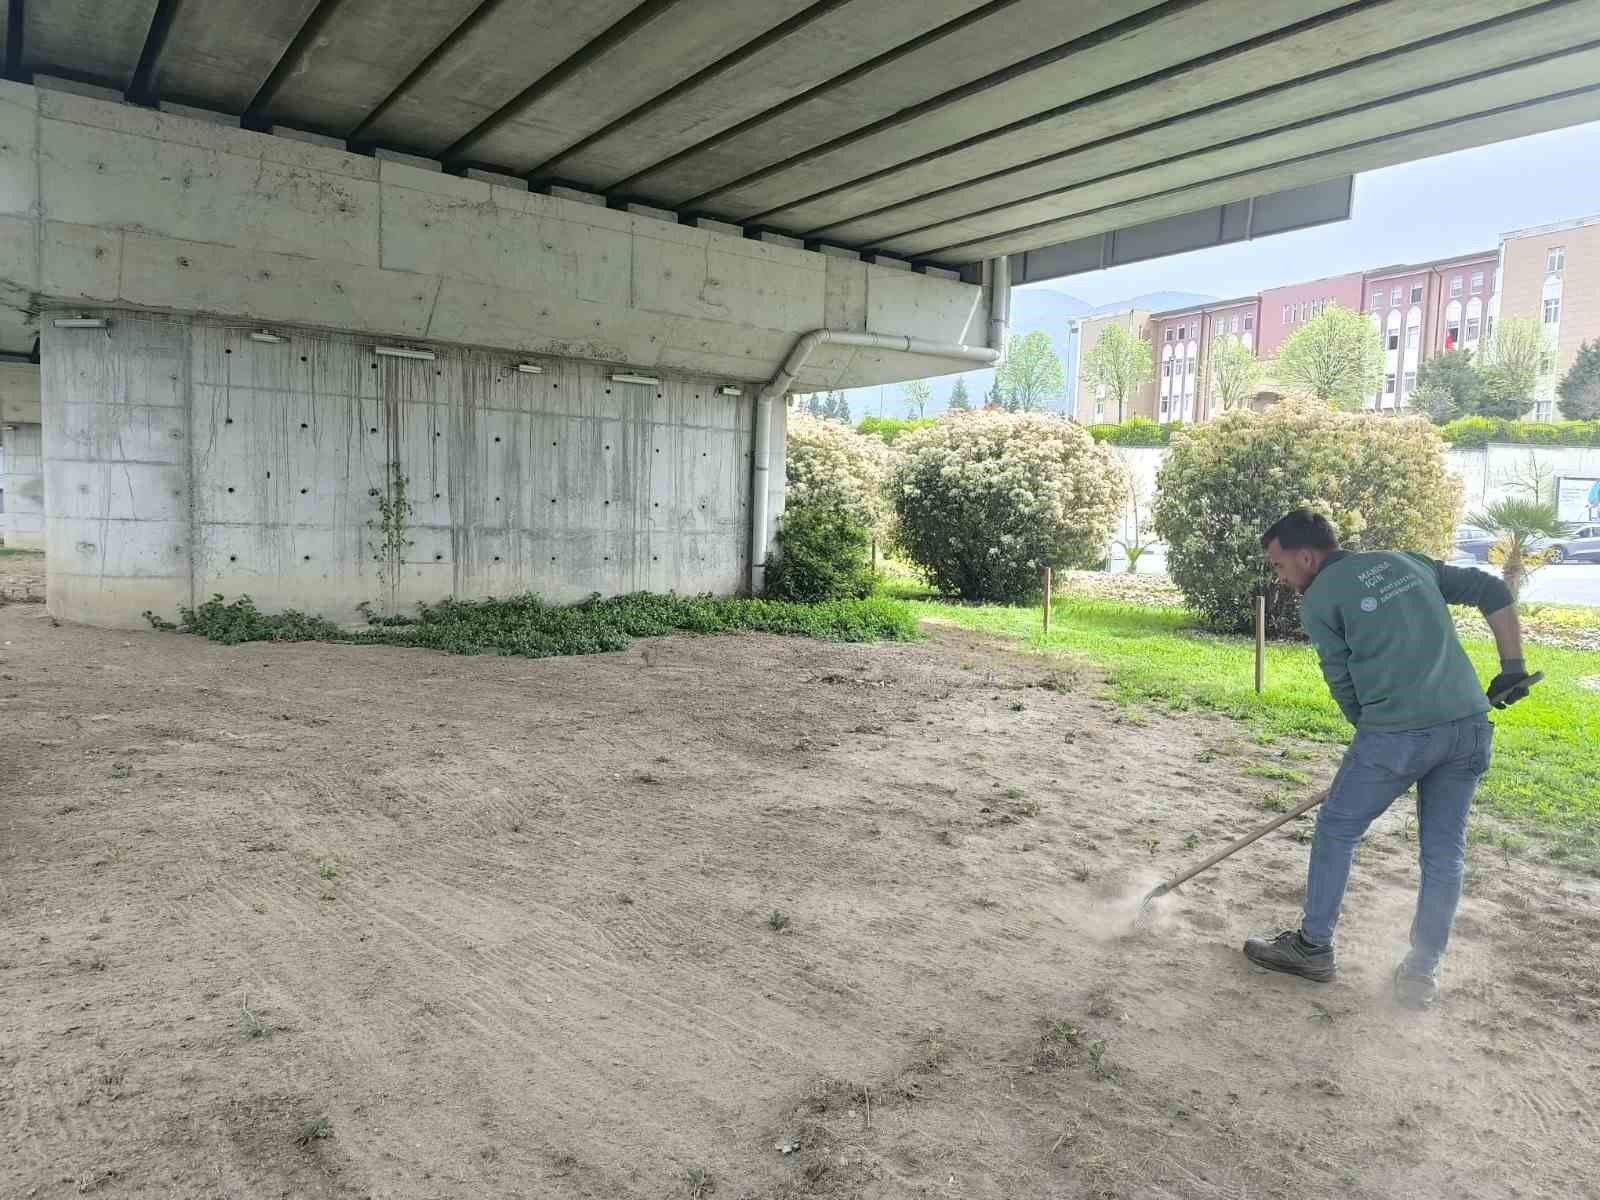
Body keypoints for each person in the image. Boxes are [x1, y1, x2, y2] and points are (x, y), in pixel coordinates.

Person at [1244, 510, 1535, 1009]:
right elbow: (1492, 591)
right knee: (1444, 854)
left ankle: (1313, 948)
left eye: (1280, 565)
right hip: (1468, 727)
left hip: (1395, 735)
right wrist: (1512, 669)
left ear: (1307, 557)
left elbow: (1342, 681)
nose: (1281, 576)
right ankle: (1420, 975)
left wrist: (1373, 737)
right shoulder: (1406, 561)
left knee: (1337, 826)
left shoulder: (1317, 601)